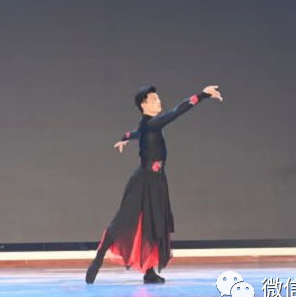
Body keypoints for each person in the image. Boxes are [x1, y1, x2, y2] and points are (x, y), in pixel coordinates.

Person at [85, 84, 223, 284]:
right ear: (144, 105)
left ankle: (149, 271)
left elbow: (136, 133)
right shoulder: (152, 124)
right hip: (143, 180)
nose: (159, 101)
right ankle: (97, 261)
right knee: (123, 221)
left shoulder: (147, 125)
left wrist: (125, 137)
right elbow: (176, 112)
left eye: (158, 98)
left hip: (157, 180)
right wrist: (202, 95)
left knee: (154, 223)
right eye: (154, 99)